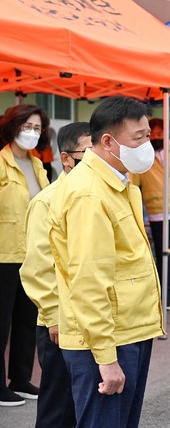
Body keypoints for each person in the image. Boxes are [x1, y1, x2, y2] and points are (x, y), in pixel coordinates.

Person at [49, 96, 164, 428]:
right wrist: (106, 358)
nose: (147, 145)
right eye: (139, 137)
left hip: (127, 330)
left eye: (148, 136)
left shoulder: (117, 183)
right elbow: (89, 280)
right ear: (108, 141)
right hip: (105, 340)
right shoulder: (89, 194)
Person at [20, 122, 91, 426]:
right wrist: (53, 315)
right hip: (60, 320)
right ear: (66, 159)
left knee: (86, 400)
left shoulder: (97, 196)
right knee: (58, 405)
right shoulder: (47, 202)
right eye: (88, 153)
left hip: (93, 315)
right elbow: (38, 267)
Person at [0, 104, 51, 407]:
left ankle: (20, 378)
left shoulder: (37, 165)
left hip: (32, 254)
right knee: (1, 322)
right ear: (11, 126)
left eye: (36, 128)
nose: (31, 132)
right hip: (3, 254)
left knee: (26, 319)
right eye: (26, 126)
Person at [131, 118, 170, 310]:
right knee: (163, 254)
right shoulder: (142, 158)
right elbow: (134, 188)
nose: (157, 136)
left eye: (160, 133)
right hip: (158, 214)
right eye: (154, 134)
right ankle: (166, 295)